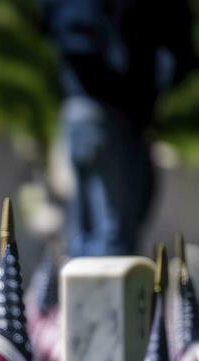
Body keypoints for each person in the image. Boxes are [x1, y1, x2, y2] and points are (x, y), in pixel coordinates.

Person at [43, 0, 196, 258]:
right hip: (116, 114)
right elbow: (180, 48)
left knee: (86, 241)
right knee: (111, 245)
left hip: (83, 107)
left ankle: (83, 296)